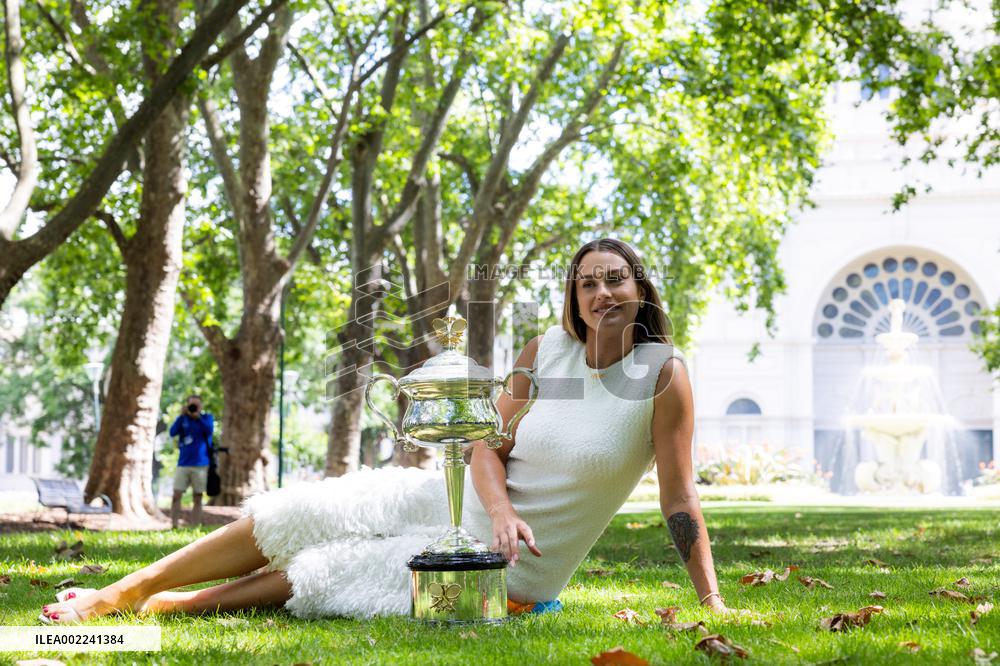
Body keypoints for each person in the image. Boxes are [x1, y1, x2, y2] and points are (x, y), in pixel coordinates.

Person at [38, 238, 732, 624]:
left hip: (513, 571)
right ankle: (121, 590)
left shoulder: (663, 376)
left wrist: (712, 600)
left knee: (334, 570)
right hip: (458, 501)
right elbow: (485, 444)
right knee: (304, 511)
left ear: (640, 288)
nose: (603, 293)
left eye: (616, 279)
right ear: (573, 301)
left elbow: (680, 499)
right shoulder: (545, 350)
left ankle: (171, 606)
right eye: (588, 284)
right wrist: (498, 508)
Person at [168, 395, 214, 529]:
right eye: (191, 405)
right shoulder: (183, 419)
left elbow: (209, 430)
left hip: (201, 464)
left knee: (198, 496)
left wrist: (198, 417)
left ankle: (195, 526)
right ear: (187, 405)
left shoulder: (207, 418)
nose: (194, 407)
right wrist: (181, 415)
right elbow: (172, 432)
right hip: (183, 463)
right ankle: (174, 525)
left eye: (196, 405)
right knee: (176, 494)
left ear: (201, 406)